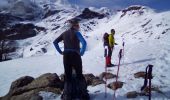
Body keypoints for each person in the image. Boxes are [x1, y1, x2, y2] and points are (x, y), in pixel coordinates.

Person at [53, 19, 89, 100]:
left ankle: (67, 95)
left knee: (68, 76)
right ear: (74, 26)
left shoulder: (64, 33)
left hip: (66, 55)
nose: (78, 27)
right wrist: (82, 52)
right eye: (77, 25)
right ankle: (83, 94)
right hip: (75, 55)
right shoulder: (77, 33)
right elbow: (84, 43)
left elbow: (55, 42)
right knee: (79, 75)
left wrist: (60, 51)